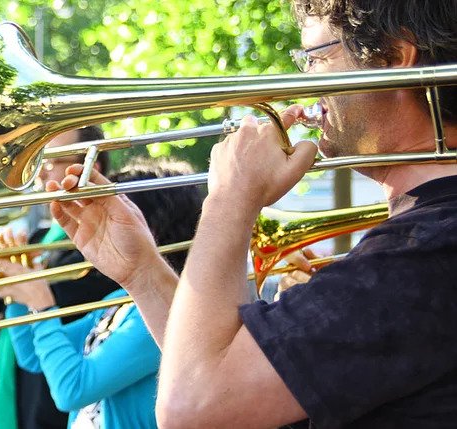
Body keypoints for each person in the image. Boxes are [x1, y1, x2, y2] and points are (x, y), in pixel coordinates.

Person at [47, 2, 457, 427]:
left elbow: (194, 409)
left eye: (317, 58)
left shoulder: (427, 250)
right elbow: (227, 377)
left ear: (392, 56)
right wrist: (144, 273)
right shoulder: (425, 244)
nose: (305, 84)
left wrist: (230, 200)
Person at [0, 160, 203, 429]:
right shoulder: (117, 301)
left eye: (113, 217)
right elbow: (32, 357)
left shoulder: (163, 314)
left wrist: (41, 303)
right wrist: (19, 293)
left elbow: (72, 390)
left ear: (150, 229)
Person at [0, 127, 120, 429]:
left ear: (89, 168)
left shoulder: (100, 248)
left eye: (52, 160)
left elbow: (55, 302)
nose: (39, 170)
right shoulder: (39, 238)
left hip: (48, 407)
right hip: (8, 394)